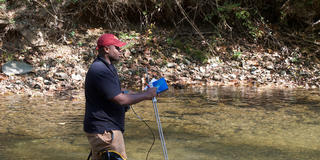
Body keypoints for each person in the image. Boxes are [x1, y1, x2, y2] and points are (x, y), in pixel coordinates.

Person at [84, 33, 157, 160]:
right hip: (105, 132)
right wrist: (147, 95)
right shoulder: (100, 70)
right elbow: (120, 99)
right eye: (117, 48)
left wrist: (139, 92)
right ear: (106, 49)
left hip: (103, 130)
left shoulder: (106, 67)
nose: (120, 51)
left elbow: (116, 91)